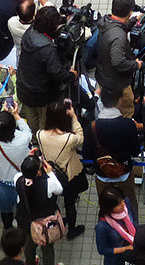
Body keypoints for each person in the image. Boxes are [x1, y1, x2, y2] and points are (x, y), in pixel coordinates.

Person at [16, 6, 77, 134]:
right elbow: (57, 73)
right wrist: (72, 75)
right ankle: (42, 143)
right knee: (44, 125)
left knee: (32, 122)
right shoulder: (48, 49)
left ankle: (33, 141)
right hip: (42, 95)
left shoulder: (30, 32)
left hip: (24, 89)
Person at [38, 100, 87, 241]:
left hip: (50, 174)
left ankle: (56, 222)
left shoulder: (40, 134)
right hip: (68, 175)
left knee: (52, 202)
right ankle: (72, 230)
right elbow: (81, 137)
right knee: (69, 202)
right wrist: (74, 117)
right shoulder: (69, 139)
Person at [93, 0, 141, 117]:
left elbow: (118, 27)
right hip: (118, 85)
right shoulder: (118, 36)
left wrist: (132, 21)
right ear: (130, 12)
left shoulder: (106, 22)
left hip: (105, 76)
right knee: (126, 112)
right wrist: (135, 64)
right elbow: (118, 61)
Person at [16, 154, 64, 265]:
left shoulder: (18, 179)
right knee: (47, 246)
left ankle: (31, 262)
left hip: (25, 220)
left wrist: (29, 161)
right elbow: (60, 190)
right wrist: (51, 173)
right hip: (44, 222)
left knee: (29, 244)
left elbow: (24, 172)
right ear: (38, 172)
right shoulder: (48, 183)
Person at [95, 185, 137, 265]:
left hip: (133, 251)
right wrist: (126, 249)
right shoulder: (102, 227)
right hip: (116, 260)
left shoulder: (126, 203)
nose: (123, 204)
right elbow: (102, 250)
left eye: (122, 200)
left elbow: (134, 218)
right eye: (118, 204)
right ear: (109, 207)